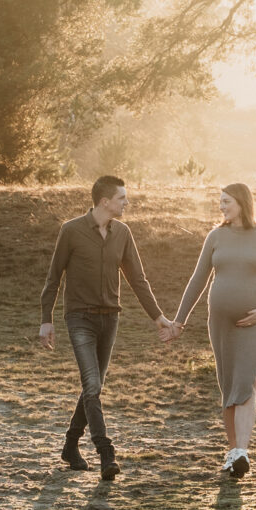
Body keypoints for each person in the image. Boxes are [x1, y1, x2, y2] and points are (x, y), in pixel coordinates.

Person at [38, 174, 167, 481]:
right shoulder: (71, 230)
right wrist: (46, 319)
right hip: (79, 318)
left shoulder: (123, 233)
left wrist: (158, 317)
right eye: (122, 198)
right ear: (105, 201)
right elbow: (54, 277)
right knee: (92, 386)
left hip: (110, 318)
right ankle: (105, 452)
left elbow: (138, 279)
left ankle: (70, 446)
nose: (127, 203)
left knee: (92, 387)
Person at [163, 181, 256, 480]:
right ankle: (233, 452)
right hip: (220, 324)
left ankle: (242, 451)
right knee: (228, 385)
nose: (221, 207)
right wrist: (179, 321)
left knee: (246, 382)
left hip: (254, 325)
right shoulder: (216, 236)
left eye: (226, 202)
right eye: (220, 202)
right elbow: (198, 280)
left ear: (242, 203)